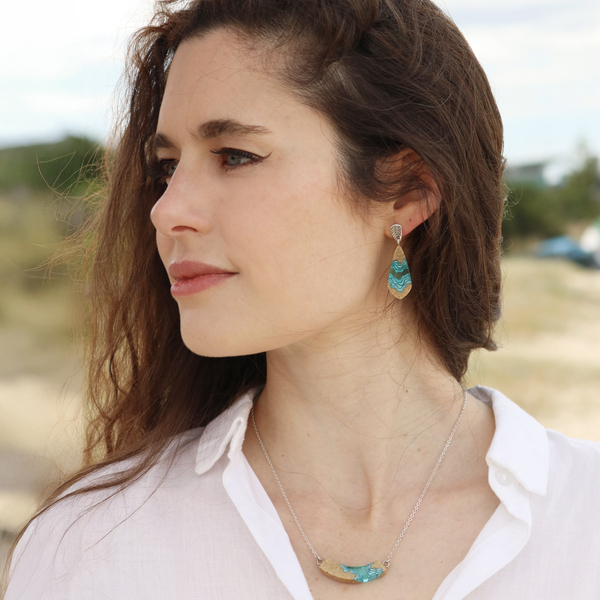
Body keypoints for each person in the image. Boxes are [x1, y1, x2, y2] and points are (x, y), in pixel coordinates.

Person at [3, 0, 600, 598]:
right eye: (166, 167)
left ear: (405, 193)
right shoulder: (92, 549)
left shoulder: (584, 520)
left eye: (235, 156)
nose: (167, 210)